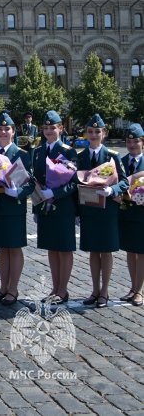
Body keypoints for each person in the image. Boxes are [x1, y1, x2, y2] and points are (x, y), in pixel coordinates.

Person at [77, 114, 128, 309]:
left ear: (104, 134)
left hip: (107, 210)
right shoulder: (81, 156)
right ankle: (94, 290)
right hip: (89, 210)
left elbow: (124, 180)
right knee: (93, 251)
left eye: (97, 131)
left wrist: (112, 190)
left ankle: (104, 291)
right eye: (90, 132)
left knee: (106, 251)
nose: (93, 135)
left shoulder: (112, 156)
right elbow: (76, 181)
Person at [0, 112, 34, 305]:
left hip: (13, 205)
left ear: (13, 132)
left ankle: (13, 289)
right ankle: (3, 287)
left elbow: (30, 183)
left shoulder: (21, 154)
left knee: (14, 248)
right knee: (2, 248)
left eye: (7, 129)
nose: (3, 132)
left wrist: (19, 192)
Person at [32, 111, 78, 305]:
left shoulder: (69, 151)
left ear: (61, 128)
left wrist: (55, 194)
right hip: (44, 206)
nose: (49, 131)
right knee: (52, 247)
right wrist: (36, 207)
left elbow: (75, 182)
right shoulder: (38, 151)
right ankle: (54, 288)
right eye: (46, 128)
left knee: (64, 248)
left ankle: (63, 289)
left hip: (64, 205)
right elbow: (35, 181)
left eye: (53, 127)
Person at [118, 123, 144, 307]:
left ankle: (139, 290)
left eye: (136, 141)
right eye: (129, 141)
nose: (132, 145)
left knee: (141, 252)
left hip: (142, 213)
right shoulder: (122, 161)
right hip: (127, 211)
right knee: (130, 250)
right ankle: (132, 287)